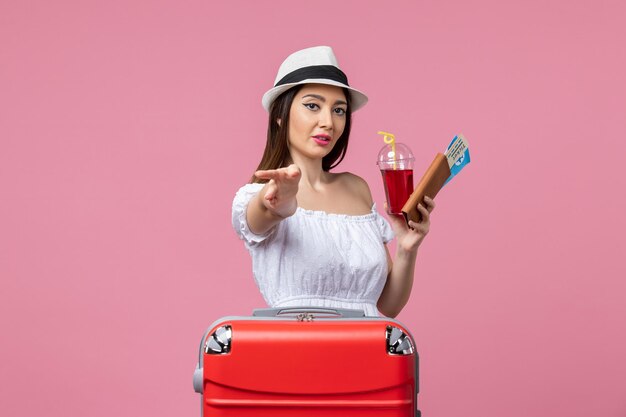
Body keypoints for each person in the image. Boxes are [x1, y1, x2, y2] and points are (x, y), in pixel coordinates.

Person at [232, 46, 435, 317]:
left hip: (368, 352)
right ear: (280, 115)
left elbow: (387, 306)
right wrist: (280, 201)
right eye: (312, 106)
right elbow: (265, 211)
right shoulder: (262, 194)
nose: (328, 122)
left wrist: (408, 248)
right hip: (297, 353)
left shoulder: (357, 188)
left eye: (339, 110)